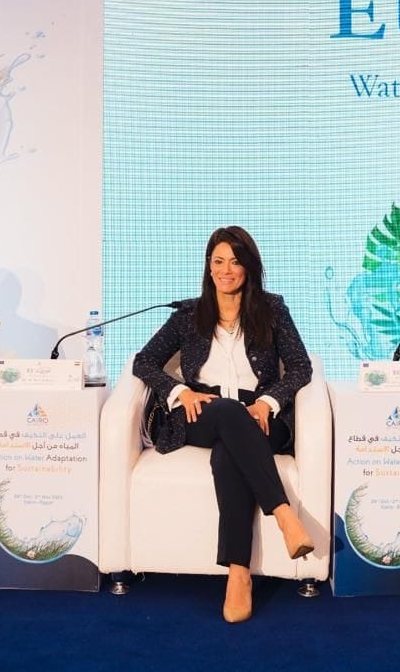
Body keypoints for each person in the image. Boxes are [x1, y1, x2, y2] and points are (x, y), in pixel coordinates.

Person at [133, 226, 314, 623]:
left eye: (235, 262)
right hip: (204, 411)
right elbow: (143, 362)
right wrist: (180, 392)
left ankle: (238, 574)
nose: (225, 270)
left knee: (227, 455)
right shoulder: (188, 316)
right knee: (228, 412)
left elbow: (301, 366)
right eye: (218, 261)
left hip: (259, 413)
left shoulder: (272, 310)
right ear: (208, 266)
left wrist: (268, 402)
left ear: (249, 267)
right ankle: (285, 516)